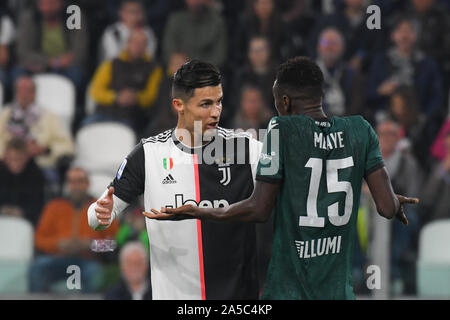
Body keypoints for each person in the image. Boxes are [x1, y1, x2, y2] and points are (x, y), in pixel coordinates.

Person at [146, 57, 419, 300]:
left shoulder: (281, 128)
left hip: (290, 290)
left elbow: (259, 208)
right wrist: (396, 201)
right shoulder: (360, 129)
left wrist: (202, 211)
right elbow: (385, 207)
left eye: (276, 98)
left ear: (285, 100)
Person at [88, 60, 263, 300]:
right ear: (178, 105)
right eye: (205, 104)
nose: (216, 112)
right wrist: (100, 214)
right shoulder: (148, 154)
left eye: (219, 101)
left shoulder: (247, 150)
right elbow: (97, 219)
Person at [30, 166, 119, 293]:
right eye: (72, 182)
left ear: (87, 184)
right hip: (57, 258)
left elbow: (113, 244)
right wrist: (58, 244)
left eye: (80, 181)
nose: (76, 186)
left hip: (88, 261)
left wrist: (91, 244)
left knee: (95, 274)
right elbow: (38, 240)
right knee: (37, 268)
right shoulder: (53, 207)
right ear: (68, 185)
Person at [89, 30, 163, 135]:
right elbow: (95, 91)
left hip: (132, 115)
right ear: (128, 43)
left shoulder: (154, 69)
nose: (138, 46)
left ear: (146, 47)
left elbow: (151, 96)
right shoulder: (111, 64)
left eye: (143, 43)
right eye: (135, 42)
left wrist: (135, 97)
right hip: (104, 112)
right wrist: (116, 97)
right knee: (87, 129)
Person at [0, 76, 75, 174]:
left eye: (28, 91)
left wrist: (45, 150)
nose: (24, 94)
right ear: (16, 93)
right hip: (7, 164)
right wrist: (10, 152)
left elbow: (66, 144)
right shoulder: (4, 115)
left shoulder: (49, 117)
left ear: (34, 93)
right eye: (20, 90)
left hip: (40, 165)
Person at [13, 0, 88, 90]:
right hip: (38, 65)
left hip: (67, 66)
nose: (48, 8)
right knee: (18, 74)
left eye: (52, 3)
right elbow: (23, 52)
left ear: (61, 3)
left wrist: (64, 61)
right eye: (44, 4)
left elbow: (80, 50)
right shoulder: (30, 17)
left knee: (76, 75)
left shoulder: (73, 16)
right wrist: (49, 61)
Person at [315, 27, 365, 118]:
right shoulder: (307, 74)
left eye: (334, 43)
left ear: (342, 48)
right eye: (325, 42)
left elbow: (356, 106)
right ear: (318, 47)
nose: (329, 47)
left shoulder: (353, 75)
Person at [162, 0, 227, 67]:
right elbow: (169, 50)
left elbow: (219, 56)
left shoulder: (217, 22)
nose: (195, 1)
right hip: (180, 69)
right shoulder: (175, 20)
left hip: (207, 71)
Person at [0, 138, 45, 226]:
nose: (14, 163)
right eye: (10, 159)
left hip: (26, 222)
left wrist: (22, 212)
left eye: (18, 159)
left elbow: (38, 205)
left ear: (26, 157)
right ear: (5, 157)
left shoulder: (36, 175)